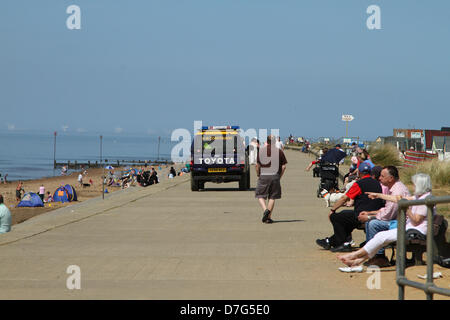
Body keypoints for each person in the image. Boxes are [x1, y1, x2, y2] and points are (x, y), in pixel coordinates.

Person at [338, 173, 435, 267]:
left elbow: (416, 220)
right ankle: (358, 260)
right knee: (381, 239)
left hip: (415, 231)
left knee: (381, 237)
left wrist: (407, 209)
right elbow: (399, 199)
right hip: (409, 228)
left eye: (414, 184)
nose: (413, 186)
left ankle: (354, 255)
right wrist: (378, 195)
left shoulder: (425, 200)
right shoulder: (420, 197)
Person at [316, 162, 384, 252]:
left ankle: (343, 243)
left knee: (335, 217)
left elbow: (344, 198)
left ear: (359, 172)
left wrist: (332, 210)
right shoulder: (377, 183)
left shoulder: (359, 183)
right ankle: (331, 241)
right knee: (345, 216)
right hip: (375, 213)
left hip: (362, 215)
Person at [357, 166, 410, 267]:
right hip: (396, 220)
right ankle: (373, 255)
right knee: (371, 222)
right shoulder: (393, 188)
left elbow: (388, 215)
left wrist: (369, 217)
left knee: (373, 224)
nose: (379, 178)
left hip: (402, 223)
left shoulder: (397, 191)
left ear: (391, 179)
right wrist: (369, 213)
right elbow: (387, 210)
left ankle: (379, 256)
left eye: (382, 176)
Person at [255, 135, 288, 224]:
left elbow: (257, 165)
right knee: (272, 197)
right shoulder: (279, 151)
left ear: (267, 141)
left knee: (260, 195)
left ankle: (265, 210)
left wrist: (258, 174)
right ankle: (268, 218)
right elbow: (284, 166)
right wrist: (279, 176)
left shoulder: (261, 151)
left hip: (264, 175)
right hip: (275, 176)